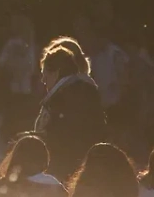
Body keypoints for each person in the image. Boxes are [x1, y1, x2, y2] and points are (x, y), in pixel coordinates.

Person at [34, 45, 106, 181]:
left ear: (56, 72)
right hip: (85, 167)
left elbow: (64, 138)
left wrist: (36, 138)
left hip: (66, 170)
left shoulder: (64, 97)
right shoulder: (84, 91)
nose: (43, 80)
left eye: (45, 73)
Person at [0, 15, 40, 141]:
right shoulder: (12, 45)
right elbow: (1, 64)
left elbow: (36, 69)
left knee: (26, 120)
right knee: (13, 119)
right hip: (14, 89)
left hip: (28, 89)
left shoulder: (34, 47)